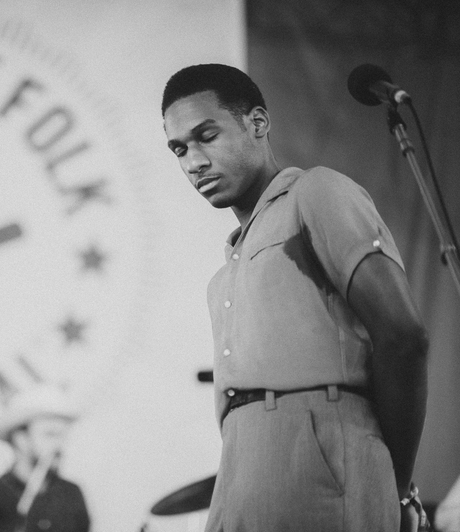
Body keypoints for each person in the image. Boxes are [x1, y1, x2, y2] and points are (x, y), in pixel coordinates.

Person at [161, 63, 430, 532]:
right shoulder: (223, 274)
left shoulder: (315, 192)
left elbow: (402, 337)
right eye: (179, 148)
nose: (193, 161)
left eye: (207, 135)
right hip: (240, 476)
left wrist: (395, 483)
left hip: (324, 465)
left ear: (257, 123)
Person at [0, 384, 91, 532]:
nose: (59, 444)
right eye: (50, 434)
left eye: (62, 436)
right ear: (21, 439)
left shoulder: (71, 494)